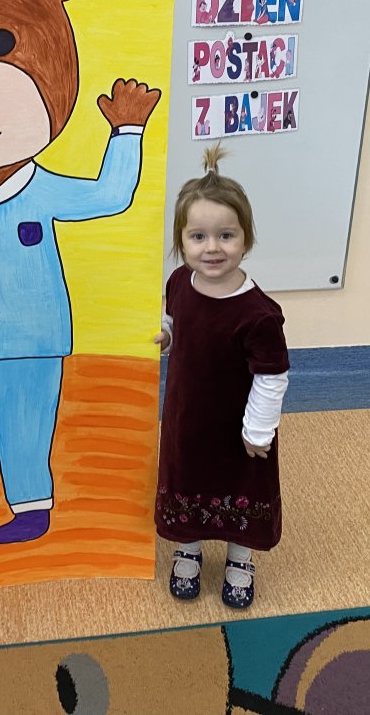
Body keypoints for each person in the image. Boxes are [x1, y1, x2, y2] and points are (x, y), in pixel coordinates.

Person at [153, 142, 289, 609]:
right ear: (182, 241)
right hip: (187, 420)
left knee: (241, 488)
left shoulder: (258, 314)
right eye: (198, 237)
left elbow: (272, 376)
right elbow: (177, 322)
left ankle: (240, 559)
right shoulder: (178, 282)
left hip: (240, 430)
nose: (212, 248)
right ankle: (187, 550)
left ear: (246, 239)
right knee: (186, 480)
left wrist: (258, 429)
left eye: (226, 235)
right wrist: (168, 337)